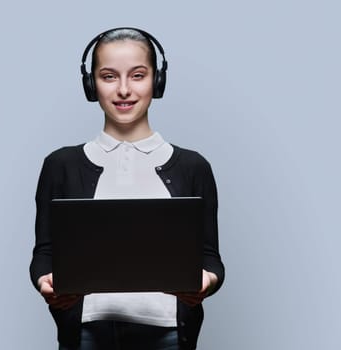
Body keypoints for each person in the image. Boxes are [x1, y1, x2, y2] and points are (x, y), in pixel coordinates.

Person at [30, 27, 225, 350]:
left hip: (168, 334)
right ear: (91, 84)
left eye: (138, 75)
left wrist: (207, 281)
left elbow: (210, 257)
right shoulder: (60, 165)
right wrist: (45, 281)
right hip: (87, 333)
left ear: (156, 82)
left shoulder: (193, 167)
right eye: (108, 76)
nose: (123, 90)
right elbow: (45, 253)